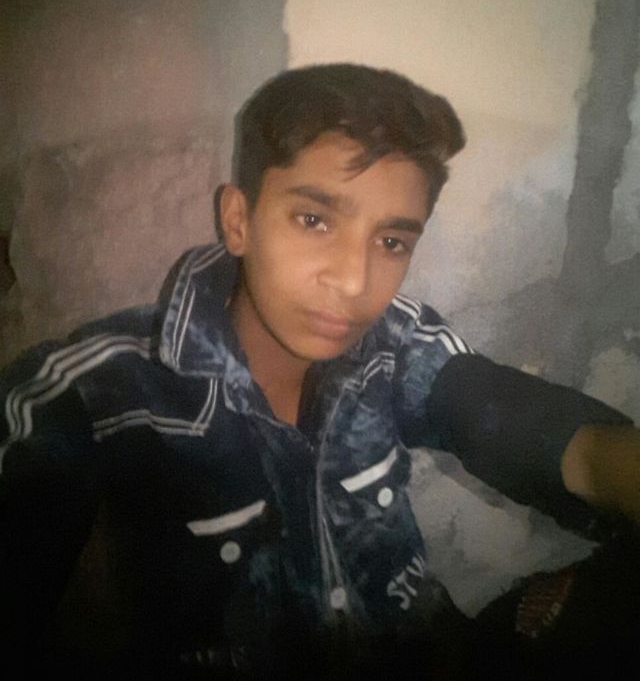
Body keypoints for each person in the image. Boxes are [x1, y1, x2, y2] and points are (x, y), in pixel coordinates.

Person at [1, 64, 639, 679]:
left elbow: (520, 423)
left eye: (391, 242)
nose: (355, 282)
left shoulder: (394, 340)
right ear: (239, 221)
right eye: (314, 220)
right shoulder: (101, 388)